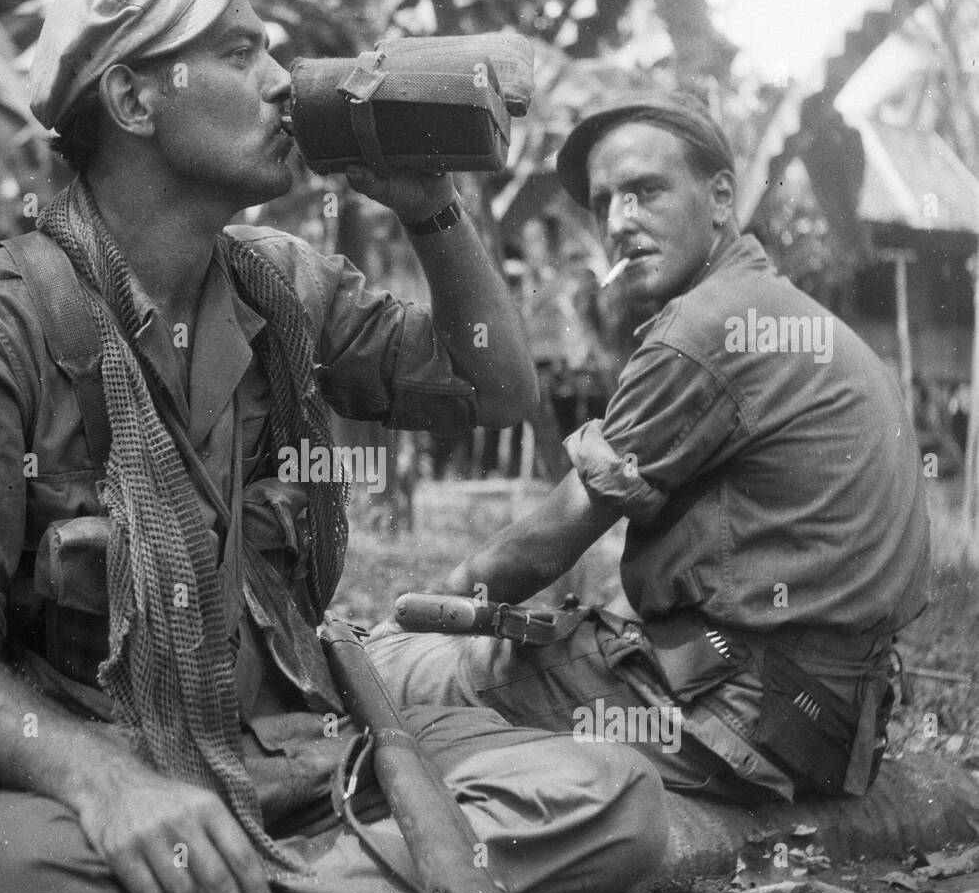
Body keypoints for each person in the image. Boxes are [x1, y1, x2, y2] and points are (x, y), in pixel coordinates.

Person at [0, 0, 670, 893]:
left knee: (616, 798)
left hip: (296, 753)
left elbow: (491, 390)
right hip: (86, 769)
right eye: (243, 49)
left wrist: (436, 211)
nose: (287, 78)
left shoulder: (282, 284)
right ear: (134, 94)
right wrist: (101, 782)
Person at [373, 89, 930, 808]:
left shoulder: (703, 329)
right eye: (603, 203)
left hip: (735, 719)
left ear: (721, 197)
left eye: (644, 193)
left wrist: (407, 617)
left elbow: (538, 552)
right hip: (834, 724)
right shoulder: (781, 311)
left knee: (394, 677)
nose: (618, 223)